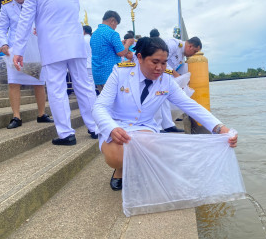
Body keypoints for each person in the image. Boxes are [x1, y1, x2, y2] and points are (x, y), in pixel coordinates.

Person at [92, 37, 238, 191]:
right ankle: (120, 170)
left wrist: (220, 128)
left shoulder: (166, 80)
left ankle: (136, 167)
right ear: (140, 57)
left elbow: (190, 105)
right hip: (117, 125)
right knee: (117, 157)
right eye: (155, 62)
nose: (160, 68)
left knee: (155, 147)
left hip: (143, 127)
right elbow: (99, 107)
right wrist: (111, 128)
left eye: (164, 63)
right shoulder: (120, 73)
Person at [12, 0, 97, 145]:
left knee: (57, 89)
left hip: (53, 47)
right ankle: (95, 128)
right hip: (76, 44)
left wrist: (18, 50)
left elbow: (25, 22)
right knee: (84, 86)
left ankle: (66, 133)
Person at [0, 0, 53, 129]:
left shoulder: (35, 2)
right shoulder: (7, 6)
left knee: (39, 83)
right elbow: (2, 28)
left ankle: (42, 114)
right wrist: (3, 43)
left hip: (35, 48)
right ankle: (16, 116)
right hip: (16, 49)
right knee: (14, 83)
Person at [157, 37, 203, 132]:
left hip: (165, 78)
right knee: (160, 98)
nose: (193, 55)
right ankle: (162, 126)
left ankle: (167, 125)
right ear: (190, 46)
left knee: (167, 97)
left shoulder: (182, 56)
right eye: (194, 51)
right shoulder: (174, 44)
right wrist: (175, 75)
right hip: (157, 74)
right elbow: (161, 59)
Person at [90, 11, 134, 91]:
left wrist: (120, 43)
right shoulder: (113, 33)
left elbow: (104, 48)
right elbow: (121, 53)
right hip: (110, 74)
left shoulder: (94, 34)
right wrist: (128, 44)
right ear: (112, 21)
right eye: (116, 24)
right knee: (115, 102)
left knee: (104, 100)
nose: (115, 27)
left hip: (98, 74)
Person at [82, 25, 96, 93]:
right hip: (93, 63)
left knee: (87, 85)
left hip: (85, 64)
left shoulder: (82, 39)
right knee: (91, 83)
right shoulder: (93, 39)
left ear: (84, 31)